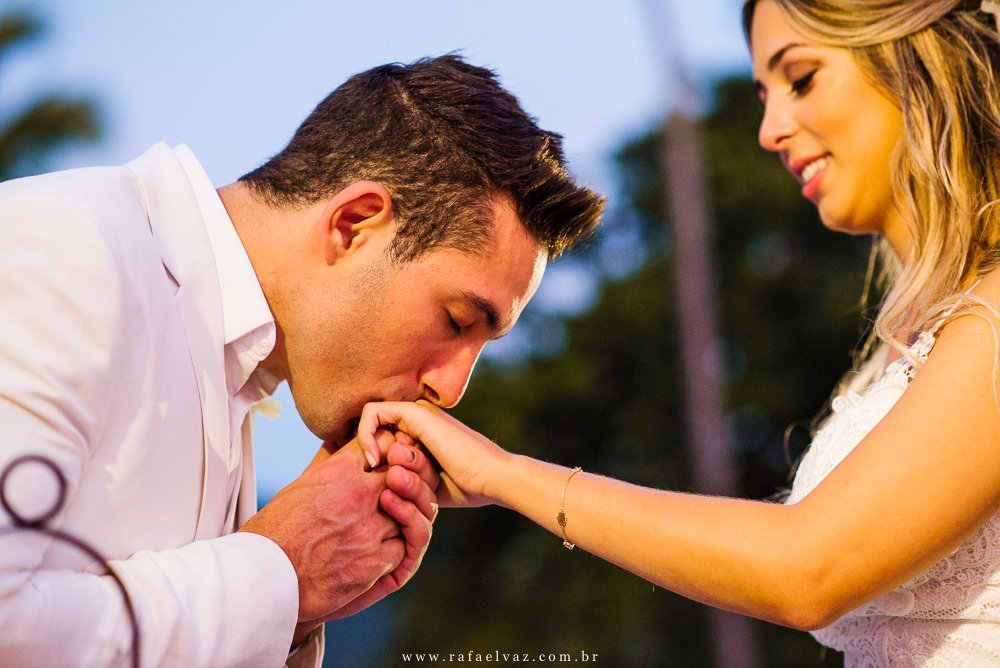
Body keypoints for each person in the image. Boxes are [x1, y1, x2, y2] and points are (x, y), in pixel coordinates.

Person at [357, 3, 1000, 665]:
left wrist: (504, 475)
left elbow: (809, 570)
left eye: (801, 78)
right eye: (763, 94)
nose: (771, 131)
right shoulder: (916, 341)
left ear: (915, 63)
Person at [0, 54, 604, 666]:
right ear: (354, 224)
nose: (450, 389)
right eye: (456, 321)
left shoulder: (232, 360)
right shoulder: (63, 248)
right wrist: (280, 571)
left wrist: (299, 607)